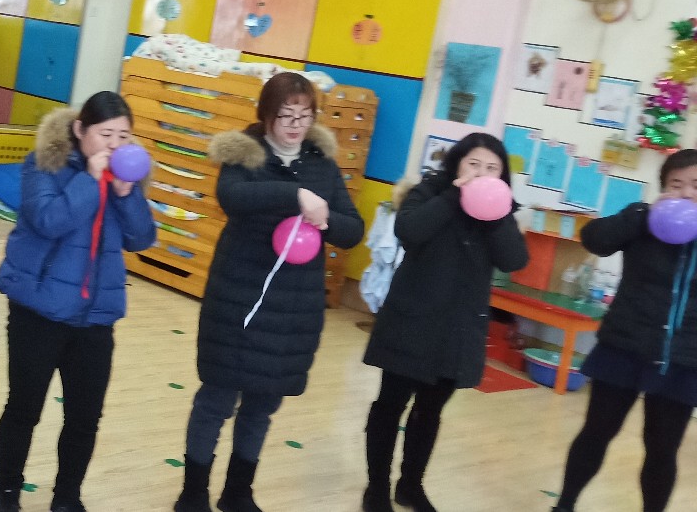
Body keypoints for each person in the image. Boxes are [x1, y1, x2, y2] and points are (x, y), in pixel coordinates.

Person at [175, 72, 365, 512]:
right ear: (265, 116)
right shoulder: (244, 154)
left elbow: (352, 230)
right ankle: (194, 493)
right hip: (239, 299)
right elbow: (233, 197)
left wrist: (325, 220)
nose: (296, 125)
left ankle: (238, 492)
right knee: (217, 398)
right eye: (286, 116)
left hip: (293, 307)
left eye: (305, 115)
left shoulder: (321, 163)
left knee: (263, 403)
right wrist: (295, 195)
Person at [0, 92, 158, 512]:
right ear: (81, 130)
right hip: (39, 311)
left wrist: (126, 194)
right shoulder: (43, 165)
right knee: (24, 407)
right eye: (106, 134)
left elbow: (142, 238)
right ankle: (8, 490)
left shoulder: (126, 177)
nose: (114, 145)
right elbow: (48, 220)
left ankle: (67, 497)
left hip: (95, 318)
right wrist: (90, 180)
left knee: (85, 417)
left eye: (123, 136)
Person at [361, 134, 528, 512]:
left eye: (492, 168)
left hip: (458, 329)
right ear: (457, 164)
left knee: (430, 411)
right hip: (412, 320)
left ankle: (411, 485)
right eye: (473, 164)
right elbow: (408, 231)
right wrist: (454, 196)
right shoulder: (430, 191)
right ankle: (376, 488)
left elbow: (514, 260)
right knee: (390, 405)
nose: (481, 174)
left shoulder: (500, 210)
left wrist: (497, 216)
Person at [550, 149, 697, 512]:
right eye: (676, 184)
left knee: (662, 449)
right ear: (663, 188)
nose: (686, 193)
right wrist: (642, 216)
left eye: (696, 185)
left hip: (682, 359)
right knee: (596, 433)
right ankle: (564, 505)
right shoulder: (642, 220)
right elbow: (594, 239)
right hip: (624, 348)